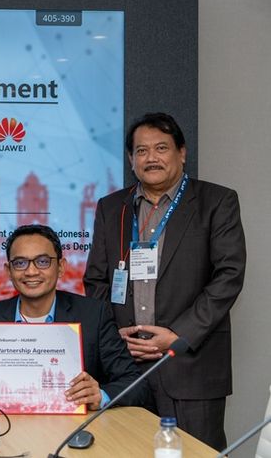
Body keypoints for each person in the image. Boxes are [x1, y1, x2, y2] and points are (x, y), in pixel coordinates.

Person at [84, 112, 245, 450]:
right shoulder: (112, 208)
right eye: (141, 151)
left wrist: (178, 335)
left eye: (161, 148)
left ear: (181, 153)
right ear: (131, 160)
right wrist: (114, 337)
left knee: (196, 454)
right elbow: (97, 280)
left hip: (190, 367)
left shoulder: (216, 202)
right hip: (125, 368)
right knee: (124, 453)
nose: (151, 158)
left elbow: (229, 275)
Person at [0, 224, 149, 410]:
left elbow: (136, 383)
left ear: (60, 267)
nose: (31, 271)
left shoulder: (93, 315)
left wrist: (100, 396)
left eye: (42, 261)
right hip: (6, 428)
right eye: (20, 263)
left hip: (74, 431)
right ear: (8, 271)